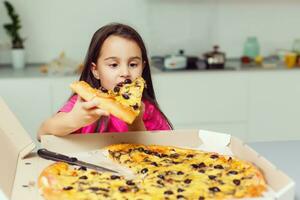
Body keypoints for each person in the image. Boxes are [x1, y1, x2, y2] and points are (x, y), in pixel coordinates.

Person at [37, 23, 172, 140]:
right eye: (113, 65)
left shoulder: (146, 109)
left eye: (133, 64)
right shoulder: (85, 104)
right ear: (95, 70)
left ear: (142, 67)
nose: (125, 73)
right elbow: (41, 133)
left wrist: (136, 122)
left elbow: (164, 150)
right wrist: (74, 119)